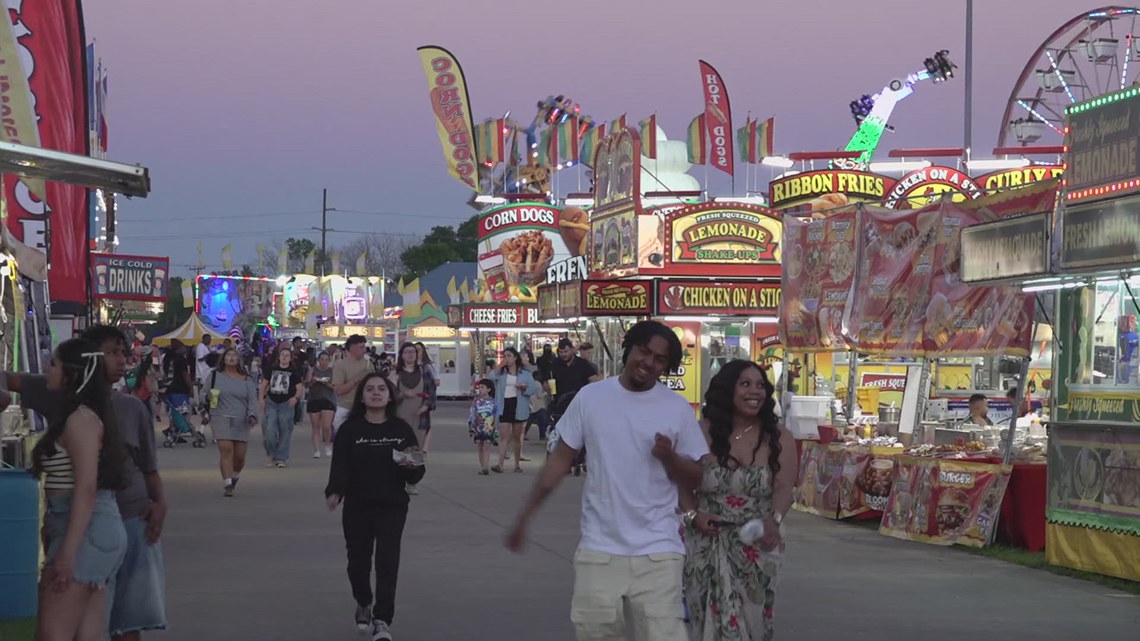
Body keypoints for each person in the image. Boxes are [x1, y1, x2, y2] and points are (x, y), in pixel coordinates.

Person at [505, 320, 706, 641]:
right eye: (644, 352)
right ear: (629, 349)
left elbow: (698, 475)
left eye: (660, 360)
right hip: (599, 550)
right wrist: (524, 517)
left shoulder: (676, 409)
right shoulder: (591, 398)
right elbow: (559, 462)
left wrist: (670, 458)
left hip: (659, 551)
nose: (649, 363)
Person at [18, 338, 130, 641]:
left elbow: (86, 487)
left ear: (71, 372)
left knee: (54, 633)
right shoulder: (79, 416)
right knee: (86, 633)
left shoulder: (81, 420)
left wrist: (67, 553)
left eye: (53, 364)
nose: (47, 369)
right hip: (85, 529)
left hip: (83, 530)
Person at [680, 360, 797, 641]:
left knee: (753, 624)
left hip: (758, 543)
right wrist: (693, 516)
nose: (754, 391)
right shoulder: (701, 432)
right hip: (706, 542)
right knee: (703, 621)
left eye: (760, 385)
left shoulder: (780, 437)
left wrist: (775, 519)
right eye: (745, 384)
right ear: (727, 390)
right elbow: (682, 484)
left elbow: (784, 487)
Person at [325, 373, 426, 641]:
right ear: (362, 396)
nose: (376, 393)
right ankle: (363, 601)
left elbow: (416, 470)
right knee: (357, 562)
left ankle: (382, 619)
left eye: (382, 389)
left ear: (390, 395)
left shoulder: (400, 429)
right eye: (370, 389)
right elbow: (340, 465)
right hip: (357, 506)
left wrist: (412, 468)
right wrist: (335, 491)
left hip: (392, 506)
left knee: (387, 562)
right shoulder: (350, 429)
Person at [205, 347, 260, 496]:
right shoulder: (215, 376)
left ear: (239, 360)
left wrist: (253, 415)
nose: (231, 358)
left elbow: (252, 400)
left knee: (239, 457)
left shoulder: (247, 379)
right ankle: (228, 483)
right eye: (228, 355)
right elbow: (204, 393)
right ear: (223, 359)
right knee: (226, 449)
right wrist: (208, 397)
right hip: (220, 416)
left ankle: (234, 475)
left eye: (234, 355)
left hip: (241, 419)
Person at [489, 347, 538, 473]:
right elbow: (490, 378)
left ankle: (516, 464)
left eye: (509, 356)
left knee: (517, 436)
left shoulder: (524, 373)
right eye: (505, 356)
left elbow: (532, 389)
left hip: (519, 404)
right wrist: (500, 364)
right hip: (505, 404)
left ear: (515, 357)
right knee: (504, 436)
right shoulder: (501, 373)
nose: (507, 358)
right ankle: (500, 464)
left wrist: (523, 388)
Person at [259, 347, 304, 468]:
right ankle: (271, 453)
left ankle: (281, 457)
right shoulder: (271, 369)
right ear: (279, 357)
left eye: (287, 355)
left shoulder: (294, 372)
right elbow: (263, 385)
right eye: (282, 354)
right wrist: (261, 399)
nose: (284, 357)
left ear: (290, 358)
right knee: (269, 430)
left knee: (285, 430)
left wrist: (295, 398)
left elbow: (300, 388)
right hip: (271, 402)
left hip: (286, 404)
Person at [332, 335, 375, 433]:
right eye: (361, 347)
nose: (364, 350)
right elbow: (338, 390)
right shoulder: (340, 366)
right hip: (346, 408)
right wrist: (356, 379)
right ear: (352, 348)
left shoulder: (368, 364)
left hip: (365, 409)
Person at [308, 351, 338, 458]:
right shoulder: (313, 370)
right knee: (315, 426)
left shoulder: (332, 371)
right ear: (318, 360)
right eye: (322, 359)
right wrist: (313, 381)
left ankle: (327, 445)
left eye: (326, 360)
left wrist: (327, 384)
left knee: (326, 426)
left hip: (328, 400)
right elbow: (307, 384)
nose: (324, 362)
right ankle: (316, 450)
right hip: (314, 399)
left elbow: (335, 387)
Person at [413, 342, 440, 453]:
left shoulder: (428, 366)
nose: (417, 352)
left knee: (426, 424)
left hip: (427, 397)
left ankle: (424, 447)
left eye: (419, 349)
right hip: (414, 398)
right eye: (415, 350)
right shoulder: (410, 366)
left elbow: (437, 382)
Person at [468, 378, 498, 475]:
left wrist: (496, 430)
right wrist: (471, 426)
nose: (480, 389)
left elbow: (496, 416)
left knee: (486, 445)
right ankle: (482, 466)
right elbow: (472, 414)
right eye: (479, 387)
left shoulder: (493, 402)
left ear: (489, 389)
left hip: (489, 427)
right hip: (478, 426)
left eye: (482, 387)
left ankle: (486, 466)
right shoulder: (476, 402)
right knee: (480, 446)